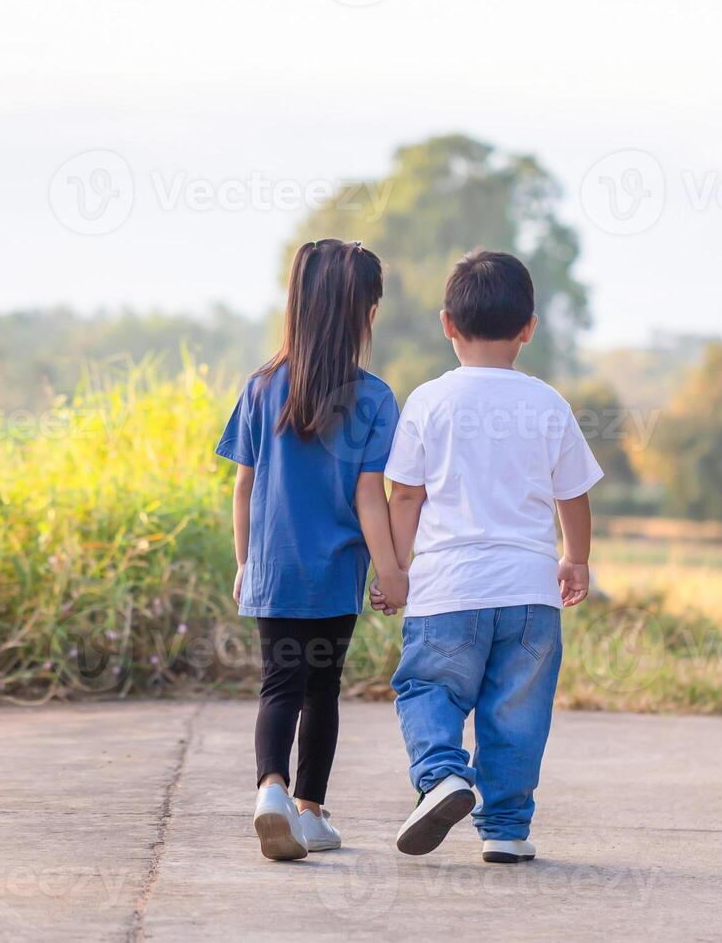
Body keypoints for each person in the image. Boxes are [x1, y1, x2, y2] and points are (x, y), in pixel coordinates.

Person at [373, 249, 601, 864]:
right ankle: (505, 830)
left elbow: (405, 495)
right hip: (529, 592)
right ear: (528, 328)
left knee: (427, 687)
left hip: (447, 587)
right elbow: (572, 493)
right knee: (516, 714)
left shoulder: (428, 401)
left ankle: (442, 774)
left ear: (447, 323)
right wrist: (575, 559)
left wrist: (396, 567)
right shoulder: (547, 402)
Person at [217, 239, 407, 862]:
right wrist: (391, 572)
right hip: (333, 576)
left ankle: (269, 791)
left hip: (273, 570)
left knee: (279, 685)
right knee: (321, 688)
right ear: (363, 314)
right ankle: (310, 810)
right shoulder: (375, 398)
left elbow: (243, 485)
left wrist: (246, 563)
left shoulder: (260, 387)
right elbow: (369, 497)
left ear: (299, 304)